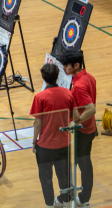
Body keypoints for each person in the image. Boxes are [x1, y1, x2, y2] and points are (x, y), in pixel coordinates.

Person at [30, 63, 79, 208]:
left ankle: (50, 205)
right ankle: (66, 201)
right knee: (64, 175)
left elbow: (38, 123)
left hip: (45, 146)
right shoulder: (68, 93)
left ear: (43, 78)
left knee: (46, 178)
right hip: (64, 143)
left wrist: (34, 142)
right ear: (58, 76)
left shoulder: (40, 97)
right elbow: (75, 116)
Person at [60, 50, 96, 208]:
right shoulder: (88, 77)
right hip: (89, 128)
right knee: (84, 162)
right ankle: (82, 196)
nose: (63, 68)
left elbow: (91, 108)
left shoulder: (79, 86)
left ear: (76, 65)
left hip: (83, 131)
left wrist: (76, 122)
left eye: (66, 66)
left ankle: (83, 198)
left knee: (84, 163)